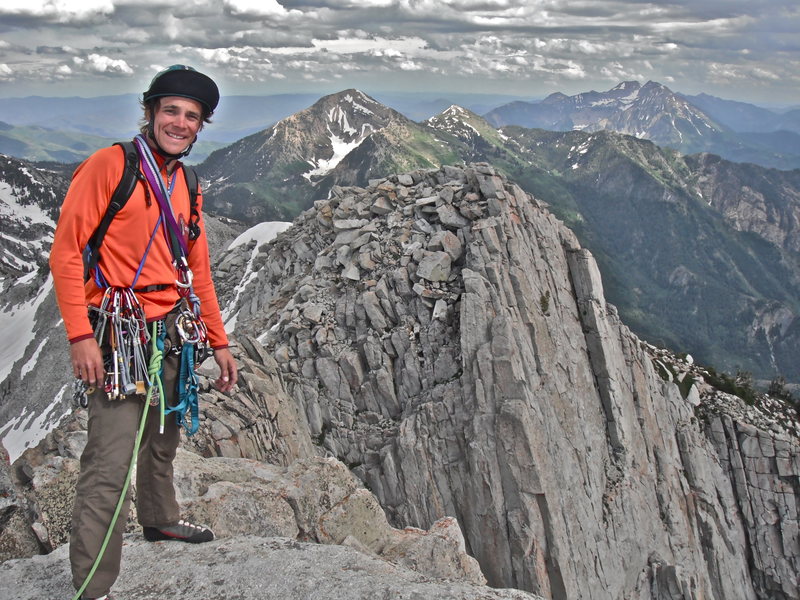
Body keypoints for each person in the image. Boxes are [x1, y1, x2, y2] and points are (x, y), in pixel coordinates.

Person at [49, 65, 238, 600]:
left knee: (161, 440)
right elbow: (66, 253)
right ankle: (92, 585)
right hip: (116, 333)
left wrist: (220, 342)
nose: (180, 123)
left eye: (191, 116)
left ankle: (159, 519)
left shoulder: (187, 183)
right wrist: (80, 336)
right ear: (151, 113)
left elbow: (197, 272)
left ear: (200, 127)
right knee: (109, 462)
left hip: (171, 329)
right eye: (171, 111)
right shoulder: (111, 166)